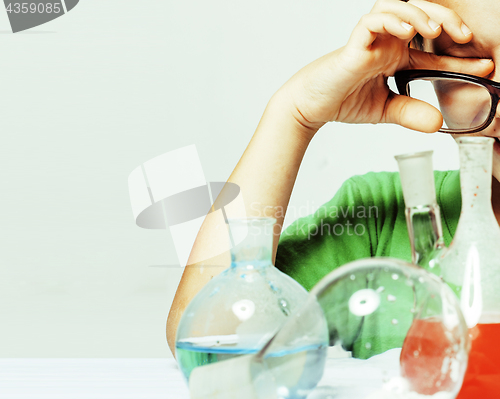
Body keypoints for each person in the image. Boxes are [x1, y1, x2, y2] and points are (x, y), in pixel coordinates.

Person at [166, 0, 500, 355]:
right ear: (427, 65)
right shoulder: (380, 223)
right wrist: (293, 115)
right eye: (466, 60)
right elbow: (206, 337)